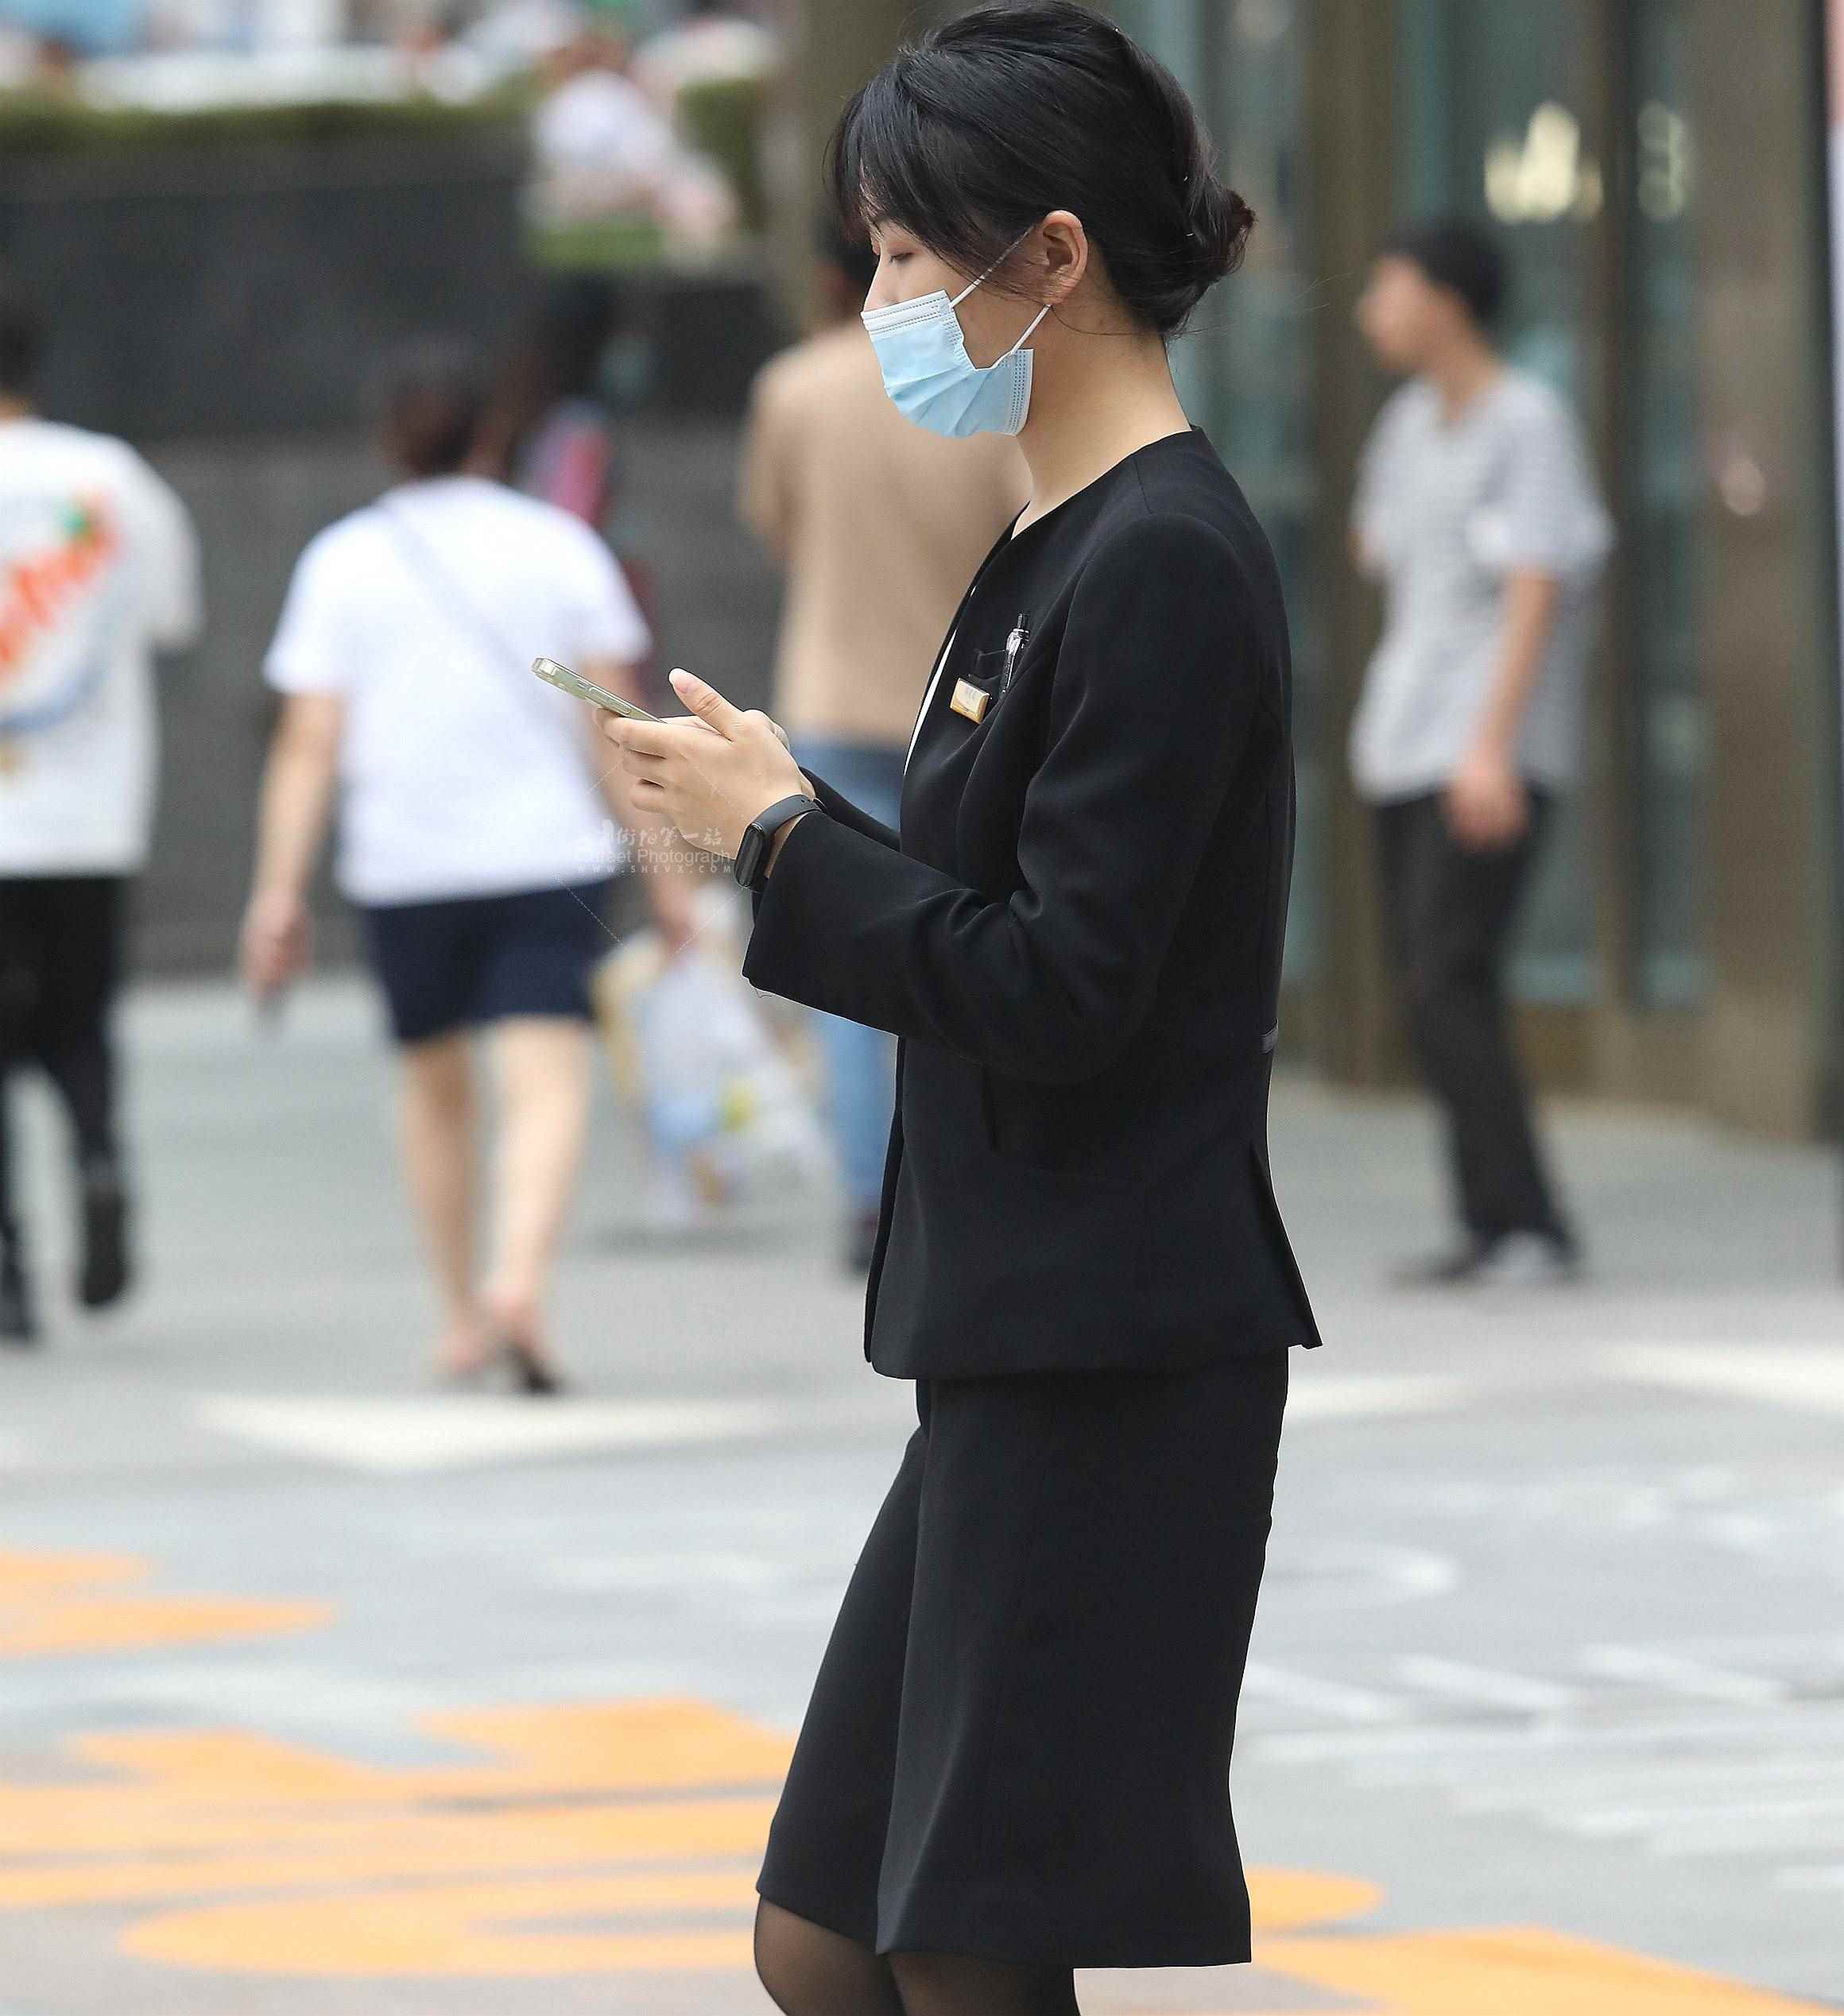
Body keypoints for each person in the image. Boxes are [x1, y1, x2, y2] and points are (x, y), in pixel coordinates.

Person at [602, 7, 1323, 2009]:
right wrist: (777, 811)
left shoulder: (1160, 557)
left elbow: (1065, 984)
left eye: (914, 255)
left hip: (1116, 1343)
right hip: (1023, 1330)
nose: (885, 302)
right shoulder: (1051, 538)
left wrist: (783, 847)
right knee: (828, 1936)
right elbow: (1002, 912)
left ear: (1056, 256)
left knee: (961, 1949)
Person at [238, 339, 662, 1395]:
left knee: (433, 1091)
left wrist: (278, 891)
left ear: (389, 441)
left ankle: (461, 1316)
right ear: (491, 432)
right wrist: (670, 877)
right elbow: (614, 723)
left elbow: (308, 742)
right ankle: (518, 1278)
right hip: (544, 855)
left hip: (404, 864)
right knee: (545, 1079)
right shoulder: (558, 545)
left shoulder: (342, 560)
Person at [737, 219, 1025, 1274]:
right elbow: (1026, 526)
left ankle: (870, 1193)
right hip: (960, 704)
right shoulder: (984, 390)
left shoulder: (792, 388)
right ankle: (952, 1180)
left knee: (852, 958)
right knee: (964, 942)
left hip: (830, 693)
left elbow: (774, 523)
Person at [1350, 215, 1614, 1288]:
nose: (1372, 311)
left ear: (1449, 302)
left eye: (1390, 288)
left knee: (1449, 978)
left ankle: (1531, 1223)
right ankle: (1488, 1220)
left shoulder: (1528, 422)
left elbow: (1537, 588)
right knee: (1431, 989)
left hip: (1482, 750)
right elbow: (1377, 547)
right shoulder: (1407, 422)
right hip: (1401, 740)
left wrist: (1492, 747)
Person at [0, 271, 202, 1346]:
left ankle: (8, 1271)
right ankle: (98, 1161)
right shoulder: (109, 477)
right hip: (89, 812)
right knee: (80, 1020)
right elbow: (172, 617)